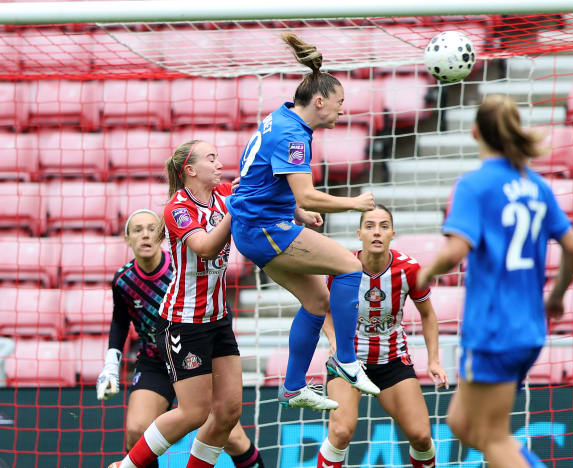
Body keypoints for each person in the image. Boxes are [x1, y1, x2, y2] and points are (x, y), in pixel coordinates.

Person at [416, 94, 573, 468]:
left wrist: (426, 272)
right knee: (461, 424)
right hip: (528, 328)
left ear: (475, 132)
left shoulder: (475, 186)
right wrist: (556, 296)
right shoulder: (536, 186)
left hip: (493, 330)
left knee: (492, 437)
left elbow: (456, 250)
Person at [227, 32, 379, 411]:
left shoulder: (280, 117)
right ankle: (346, 360)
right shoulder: (293, 136)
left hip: (255, 225)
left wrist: (295, 210)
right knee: (350, 267)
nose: (342, 111)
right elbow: (307, 194)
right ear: (320, 101)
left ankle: (294, 387)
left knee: (316, 301)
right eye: (340, 103)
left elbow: (263, 178)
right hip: (264, 229)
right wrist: (355, 203)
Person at [109, 140, 244, 468]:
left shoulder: (223, 194)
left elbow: (256, 196)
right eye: (211, 158)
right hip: (184, 322)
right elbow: (206, 248)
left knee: (228, 413)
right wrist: (236, 210)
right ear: (191, 170)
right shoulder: (177, 208)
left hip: (218, 319)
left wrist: (295, 209)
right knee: (194, 413)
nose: (219, 164)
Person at [97, 208, 264, 468]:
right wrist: (111, 364)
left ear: (161, 236)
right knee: (136, 429)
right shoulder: (123, 280)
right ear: (127, 239)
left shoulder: (181, 271)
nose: (145, 235)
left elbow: (217, 308)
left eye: (152, 229)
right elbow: (120, 321)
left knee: (231, 437)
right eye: (137, 230)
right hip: (155, 360)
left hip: (196, 357)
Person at [316, 206, 449, 468]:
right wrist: (334, 341)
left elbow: (428, 315)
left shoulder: (409, 269)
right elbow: (322, 308)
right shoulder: (341, 267)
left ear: (392, 234)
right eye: (370, 226)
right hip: (349, 361)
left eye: (384, 226)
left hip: (392, 360)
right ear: (359, 234)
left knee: (421, 437)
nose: (377, 232)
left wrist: (433, 360)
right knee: (340, 432)